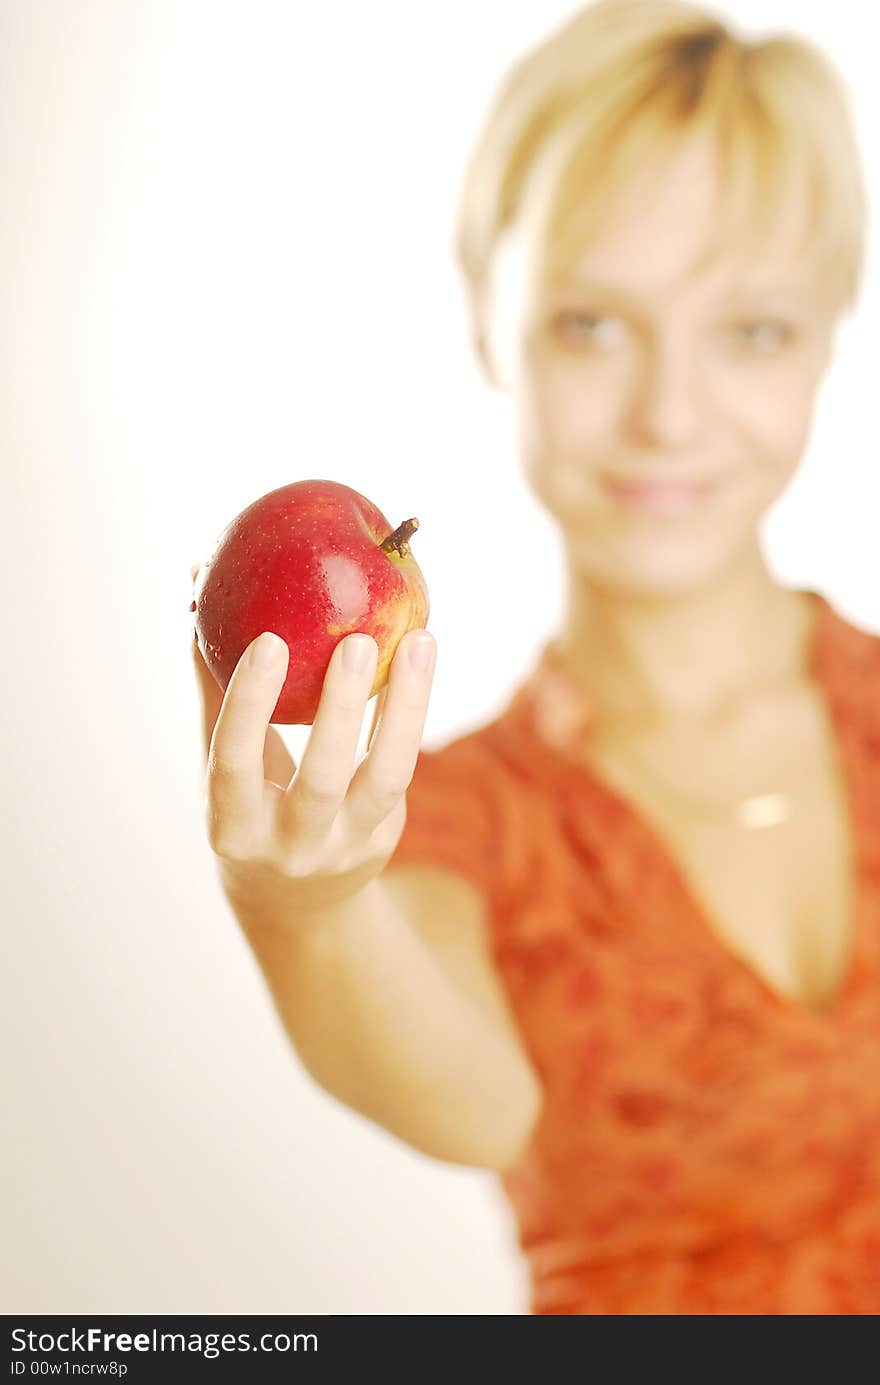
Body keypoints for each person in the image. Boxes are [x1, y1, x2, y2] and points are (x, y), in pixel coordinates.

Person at [189, 0, 879, 1315]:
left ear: (831, 337)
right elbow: (480, 1104)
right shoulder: (461, 821)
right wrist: (308, 906)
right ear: (485, 323)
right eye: (592, 325)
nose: (669, 415)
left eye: (753, 331)